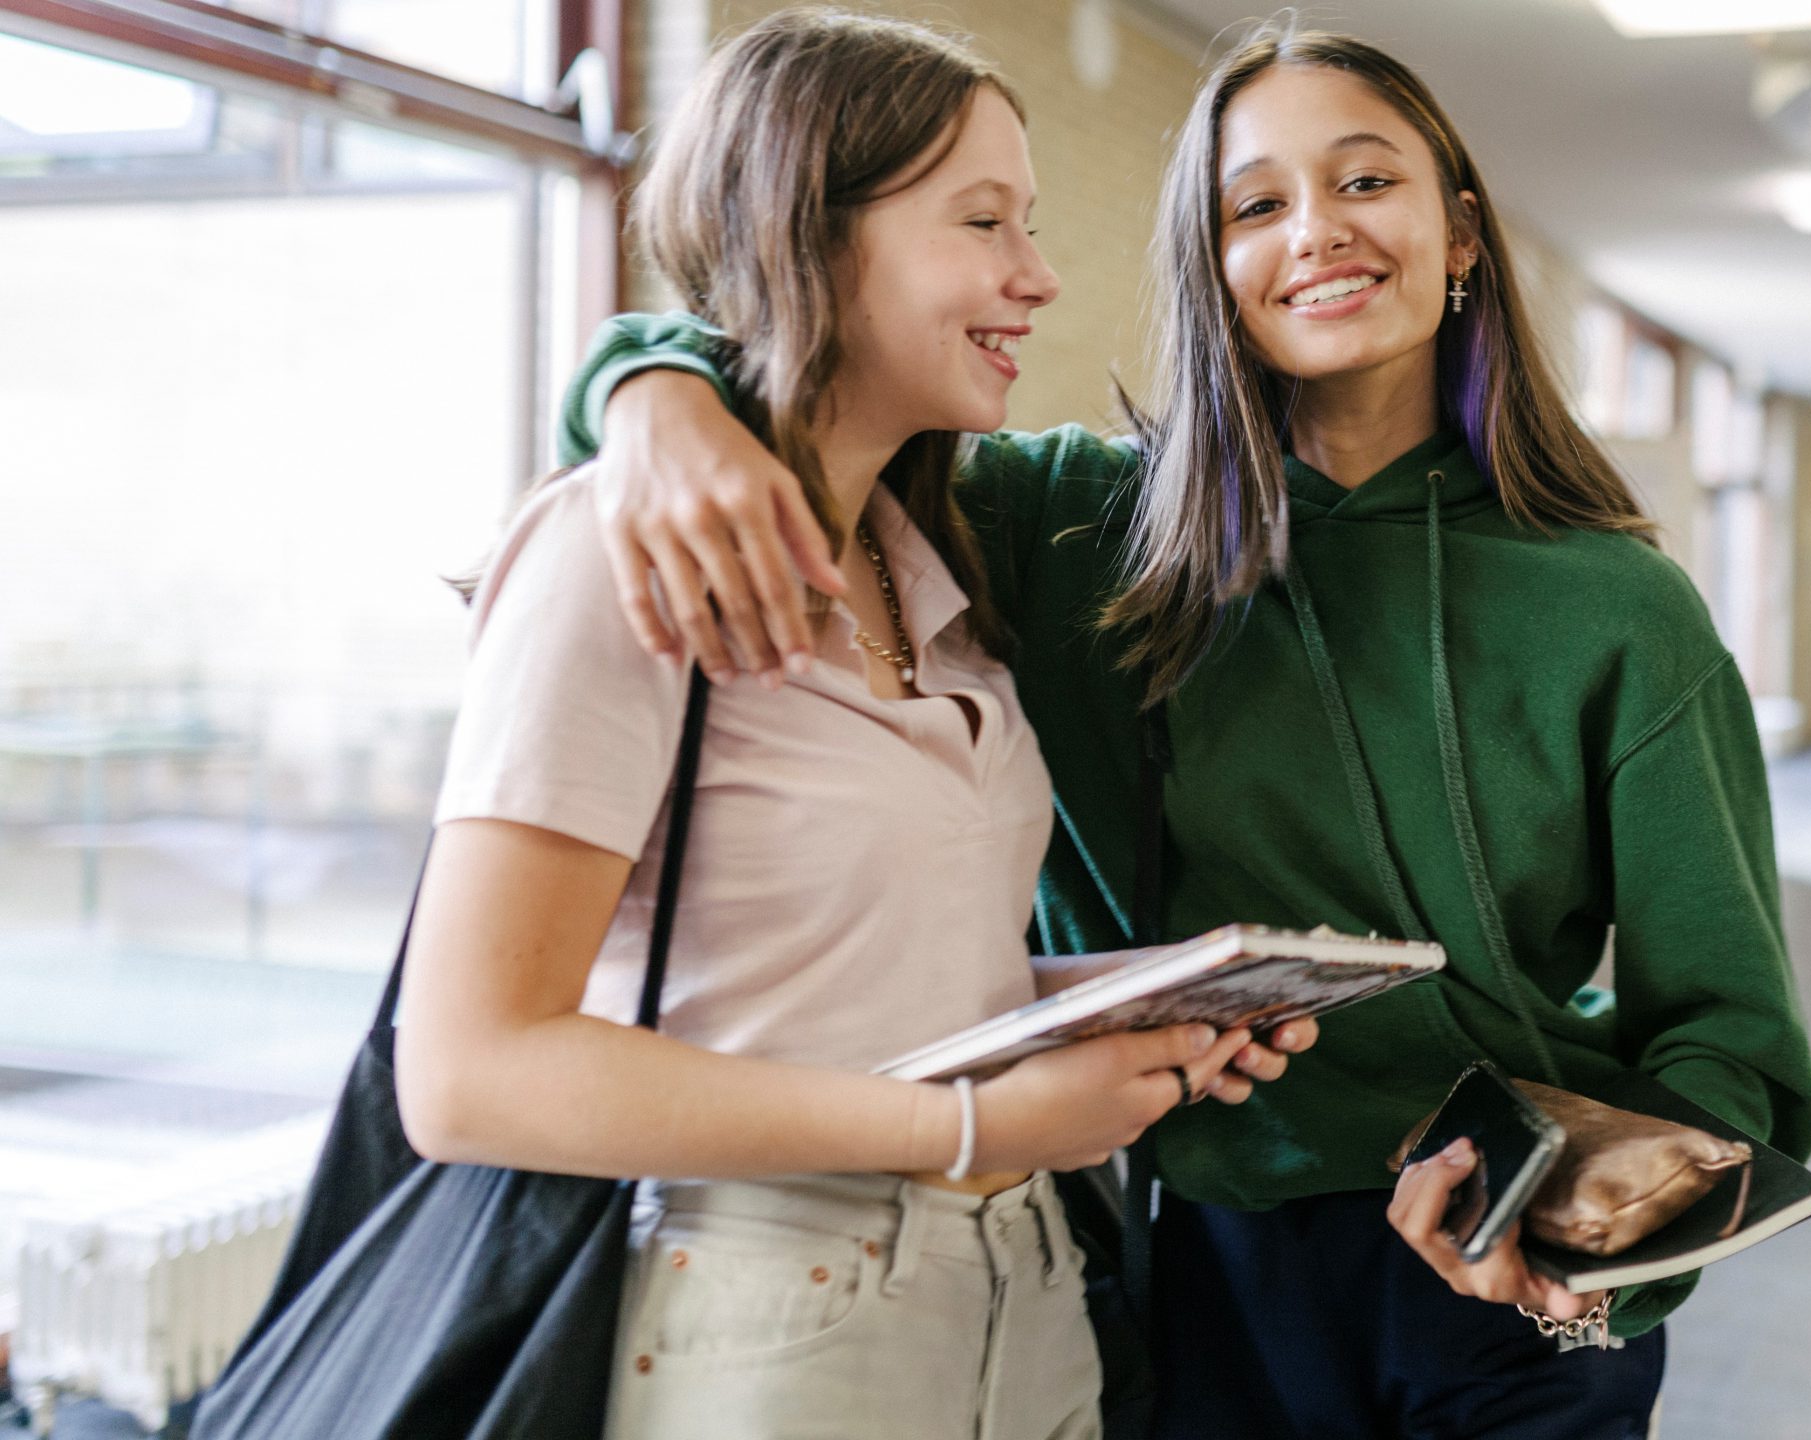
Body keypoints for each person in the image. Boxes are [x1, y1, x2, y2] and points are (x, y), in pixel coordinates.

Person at [558, 20, 1811, 1438]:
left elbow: (1729, 1038)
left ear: (1461, 232)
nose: (1317, 235)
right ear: (1207, 265)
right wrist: (645, 387)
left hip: (1494, 1284)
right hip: (1170, 1254)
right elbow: (791, 384)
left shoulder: (1618, 608)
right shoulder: (1068, 529)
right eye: (1256, 205)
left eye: (1366, 184)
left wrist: (1592, 1241)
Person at [395, 12, 1306, 1439]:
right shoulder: (614, 555)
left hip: (1017, 1297)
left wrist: (1134, 1002)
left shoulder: (933, 562)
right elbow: (467, 1073)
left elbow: (860, 980)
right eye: (982, 220)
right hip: (756, 1309)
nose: (1038, 275)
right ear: (810, 236)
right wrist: (969, 1128)